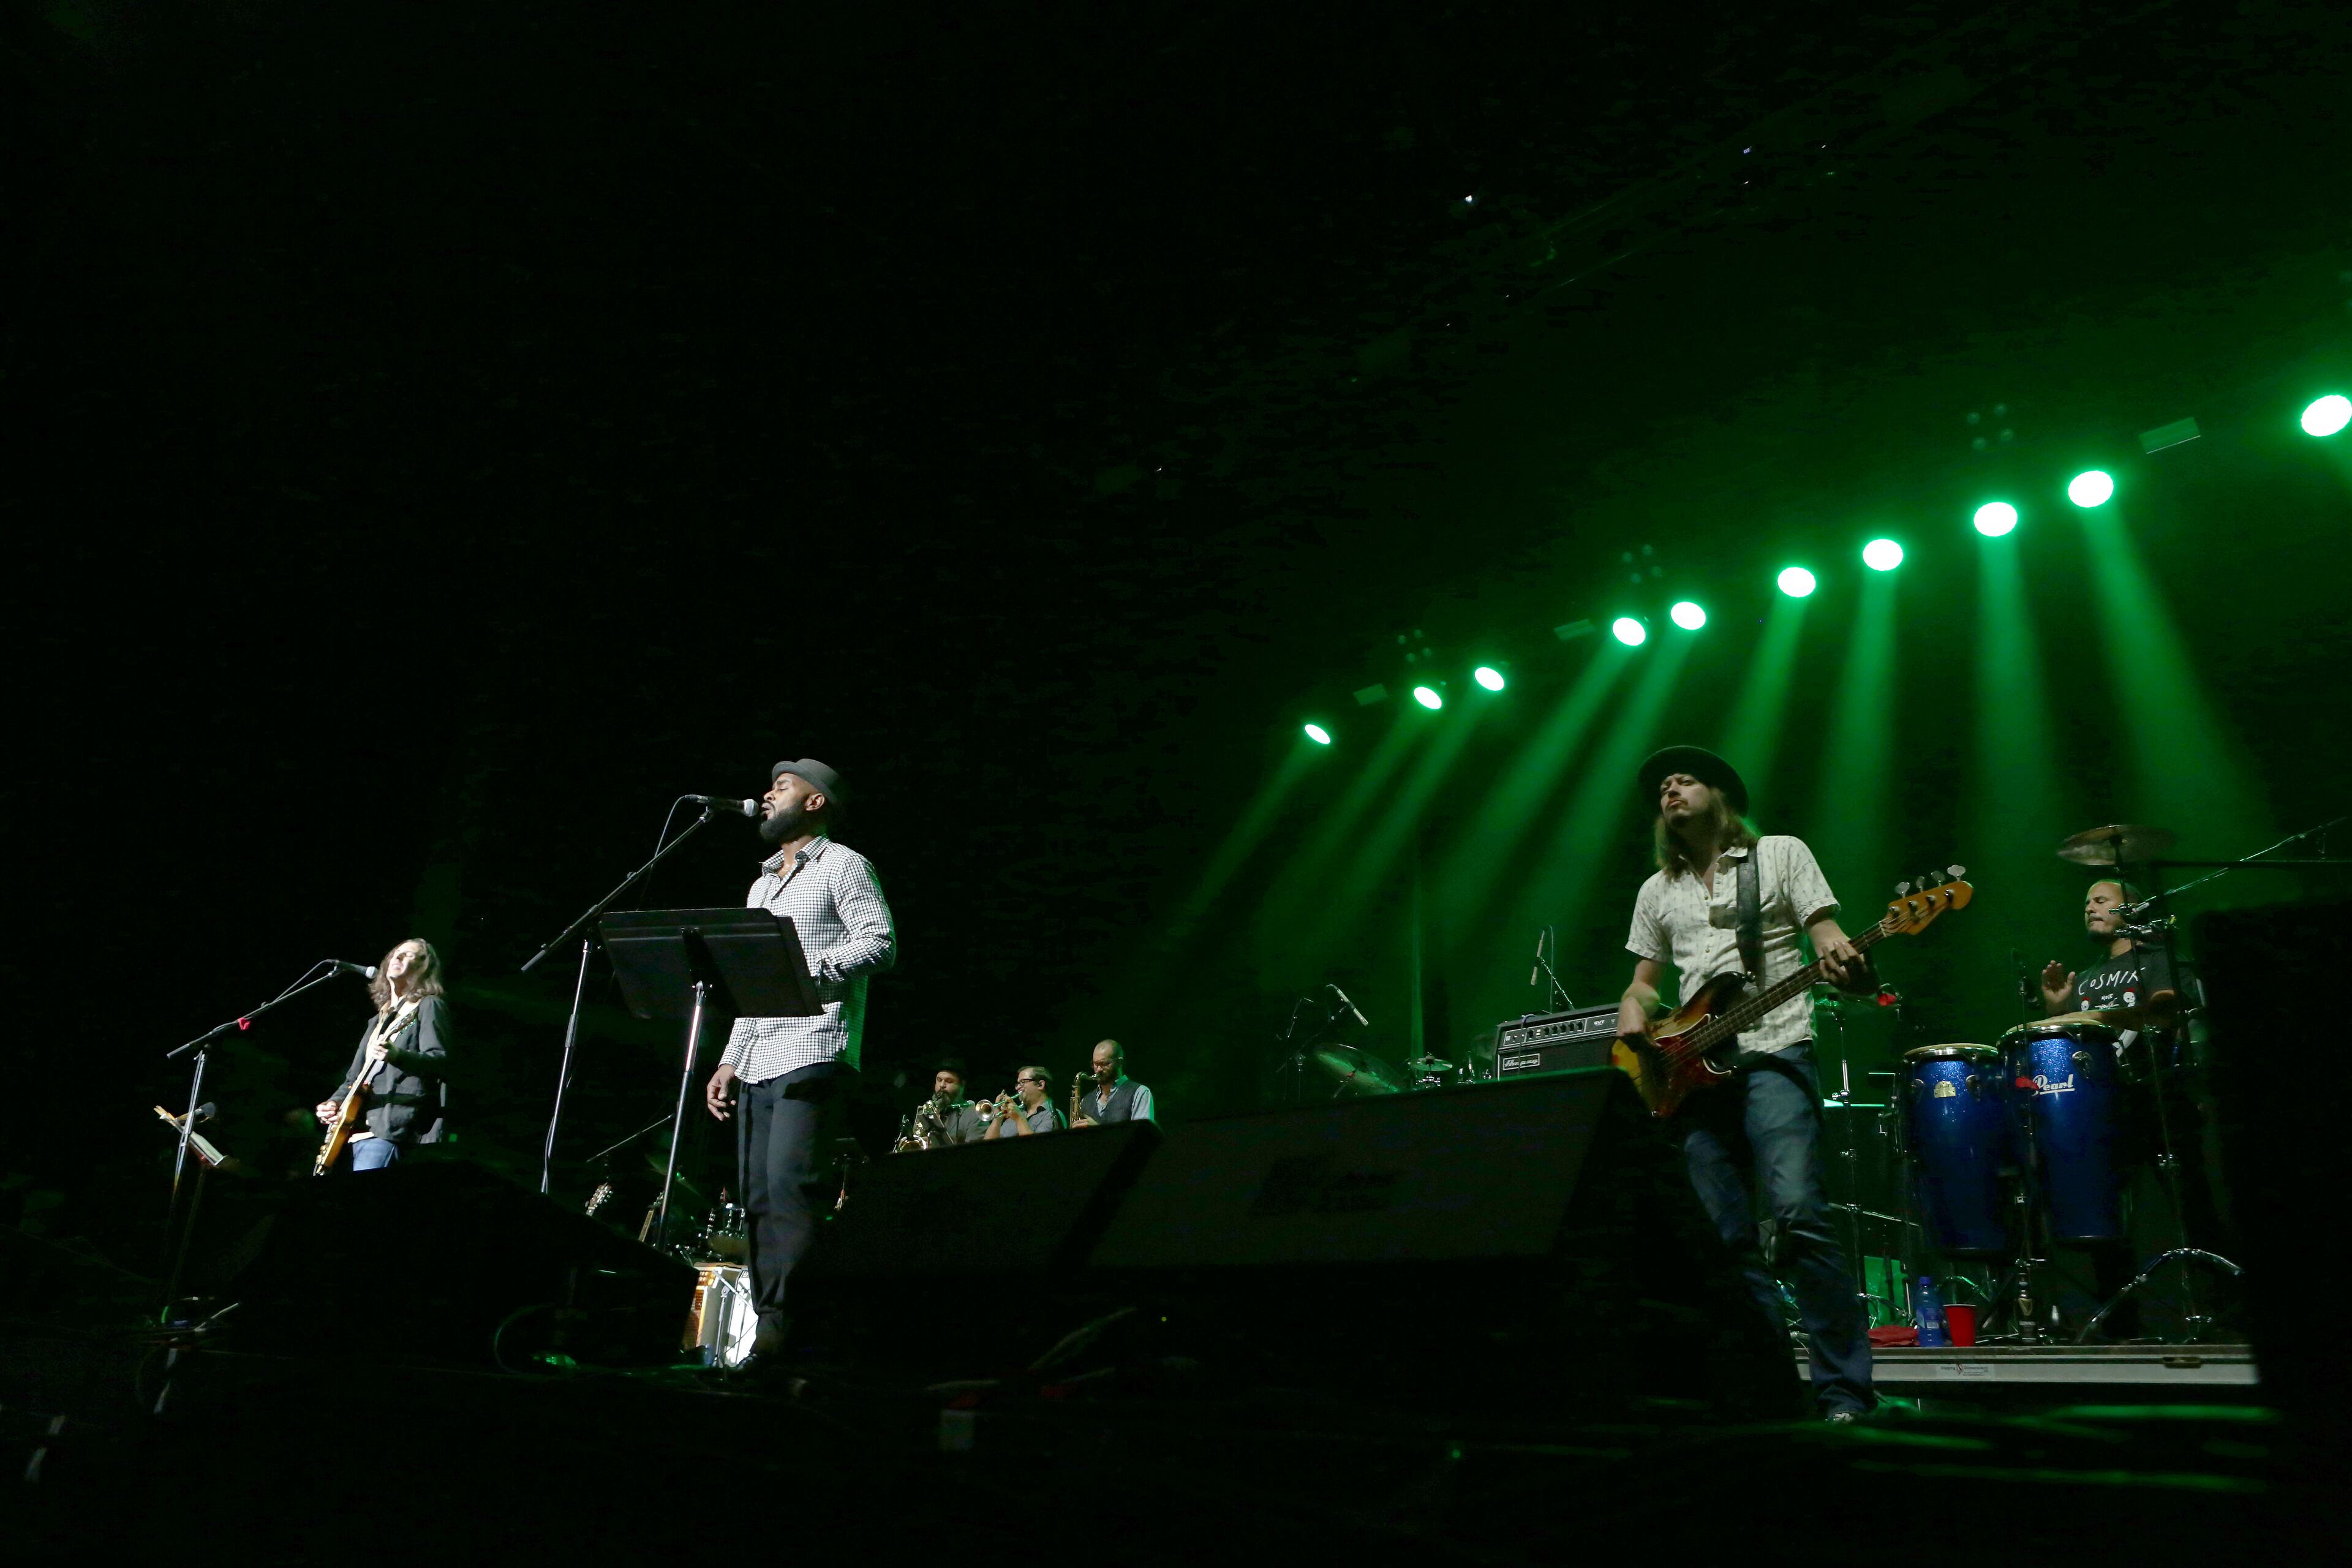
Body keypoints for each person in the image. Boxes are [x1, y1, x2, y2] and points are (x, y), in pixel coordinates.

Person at [1613, 746, 1875, 1422]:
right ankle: (1768, 1391)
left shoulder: (1781, 853)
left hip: (1777, 1045)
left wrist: (1843, 956)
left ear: (1719, 794)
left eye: (1685, 779)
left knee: (1797, 1214)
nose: (1670, 789)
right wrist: (1633, 1016)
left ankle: (1844, 1391)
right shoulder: (1656, 890)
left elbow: (1826, 933)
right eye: (1663, 785)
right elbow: (1643, 983)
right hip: (1692, 1077)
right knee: (1724, 1241)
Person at [703, 759, 895, 1362]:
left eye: (782, 786)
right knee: (757, 1196)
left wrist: (805, 970)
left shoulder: (844, 865)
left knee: (790, 1189)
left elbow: (880, 942)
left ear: (815, 802)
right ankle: (770, 1330)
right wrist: (730, 1058)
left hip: (814, 1047)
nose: (766, 793)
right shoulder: (762, 884)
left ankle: (798, 1337)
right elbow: (753, 984)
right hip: (760, 1054)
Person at [313, 938, 450, 1171]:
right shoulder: (378, 1021)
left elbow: (440, 1061)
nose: (398, 958)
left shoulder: (428, 1006)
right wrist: (333, 1103)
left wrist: (397, 1055)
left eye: (409, 956)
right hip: (351, 1132)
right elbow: (354, 1079)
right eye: (397, 953)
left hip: (388, 1129)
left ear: (423, 969)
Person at [1071, 1039, 1155, 1126]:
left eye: (1104, 1064)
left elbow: (1141, 1137)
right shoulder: (1086, 1101)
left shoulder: (1139, 1093)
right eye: (1096, 1064)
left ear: (1120, 1062)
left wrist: (1098, 1130)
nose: (1099, 1069)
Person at [918, 1061, 987, 1146]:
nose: (942, 1085)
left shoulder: (975, 1114)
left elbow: (975, 1152)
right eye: (939, 1080)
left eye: (949, 1081)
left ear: (962, 1085)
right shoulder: (928, 1111)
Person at [983, 1066, 1063, 1139]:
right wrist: (998, 1117)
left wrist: (1019, 1119)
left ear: (1040, 1085)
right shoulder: (1016, 1114)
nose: (1018, 1087)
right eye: (1018, 1084)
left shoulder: (1052, 1115)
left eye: (1023, 1082)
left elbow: (1036, 1148)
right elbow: (987, 1147)